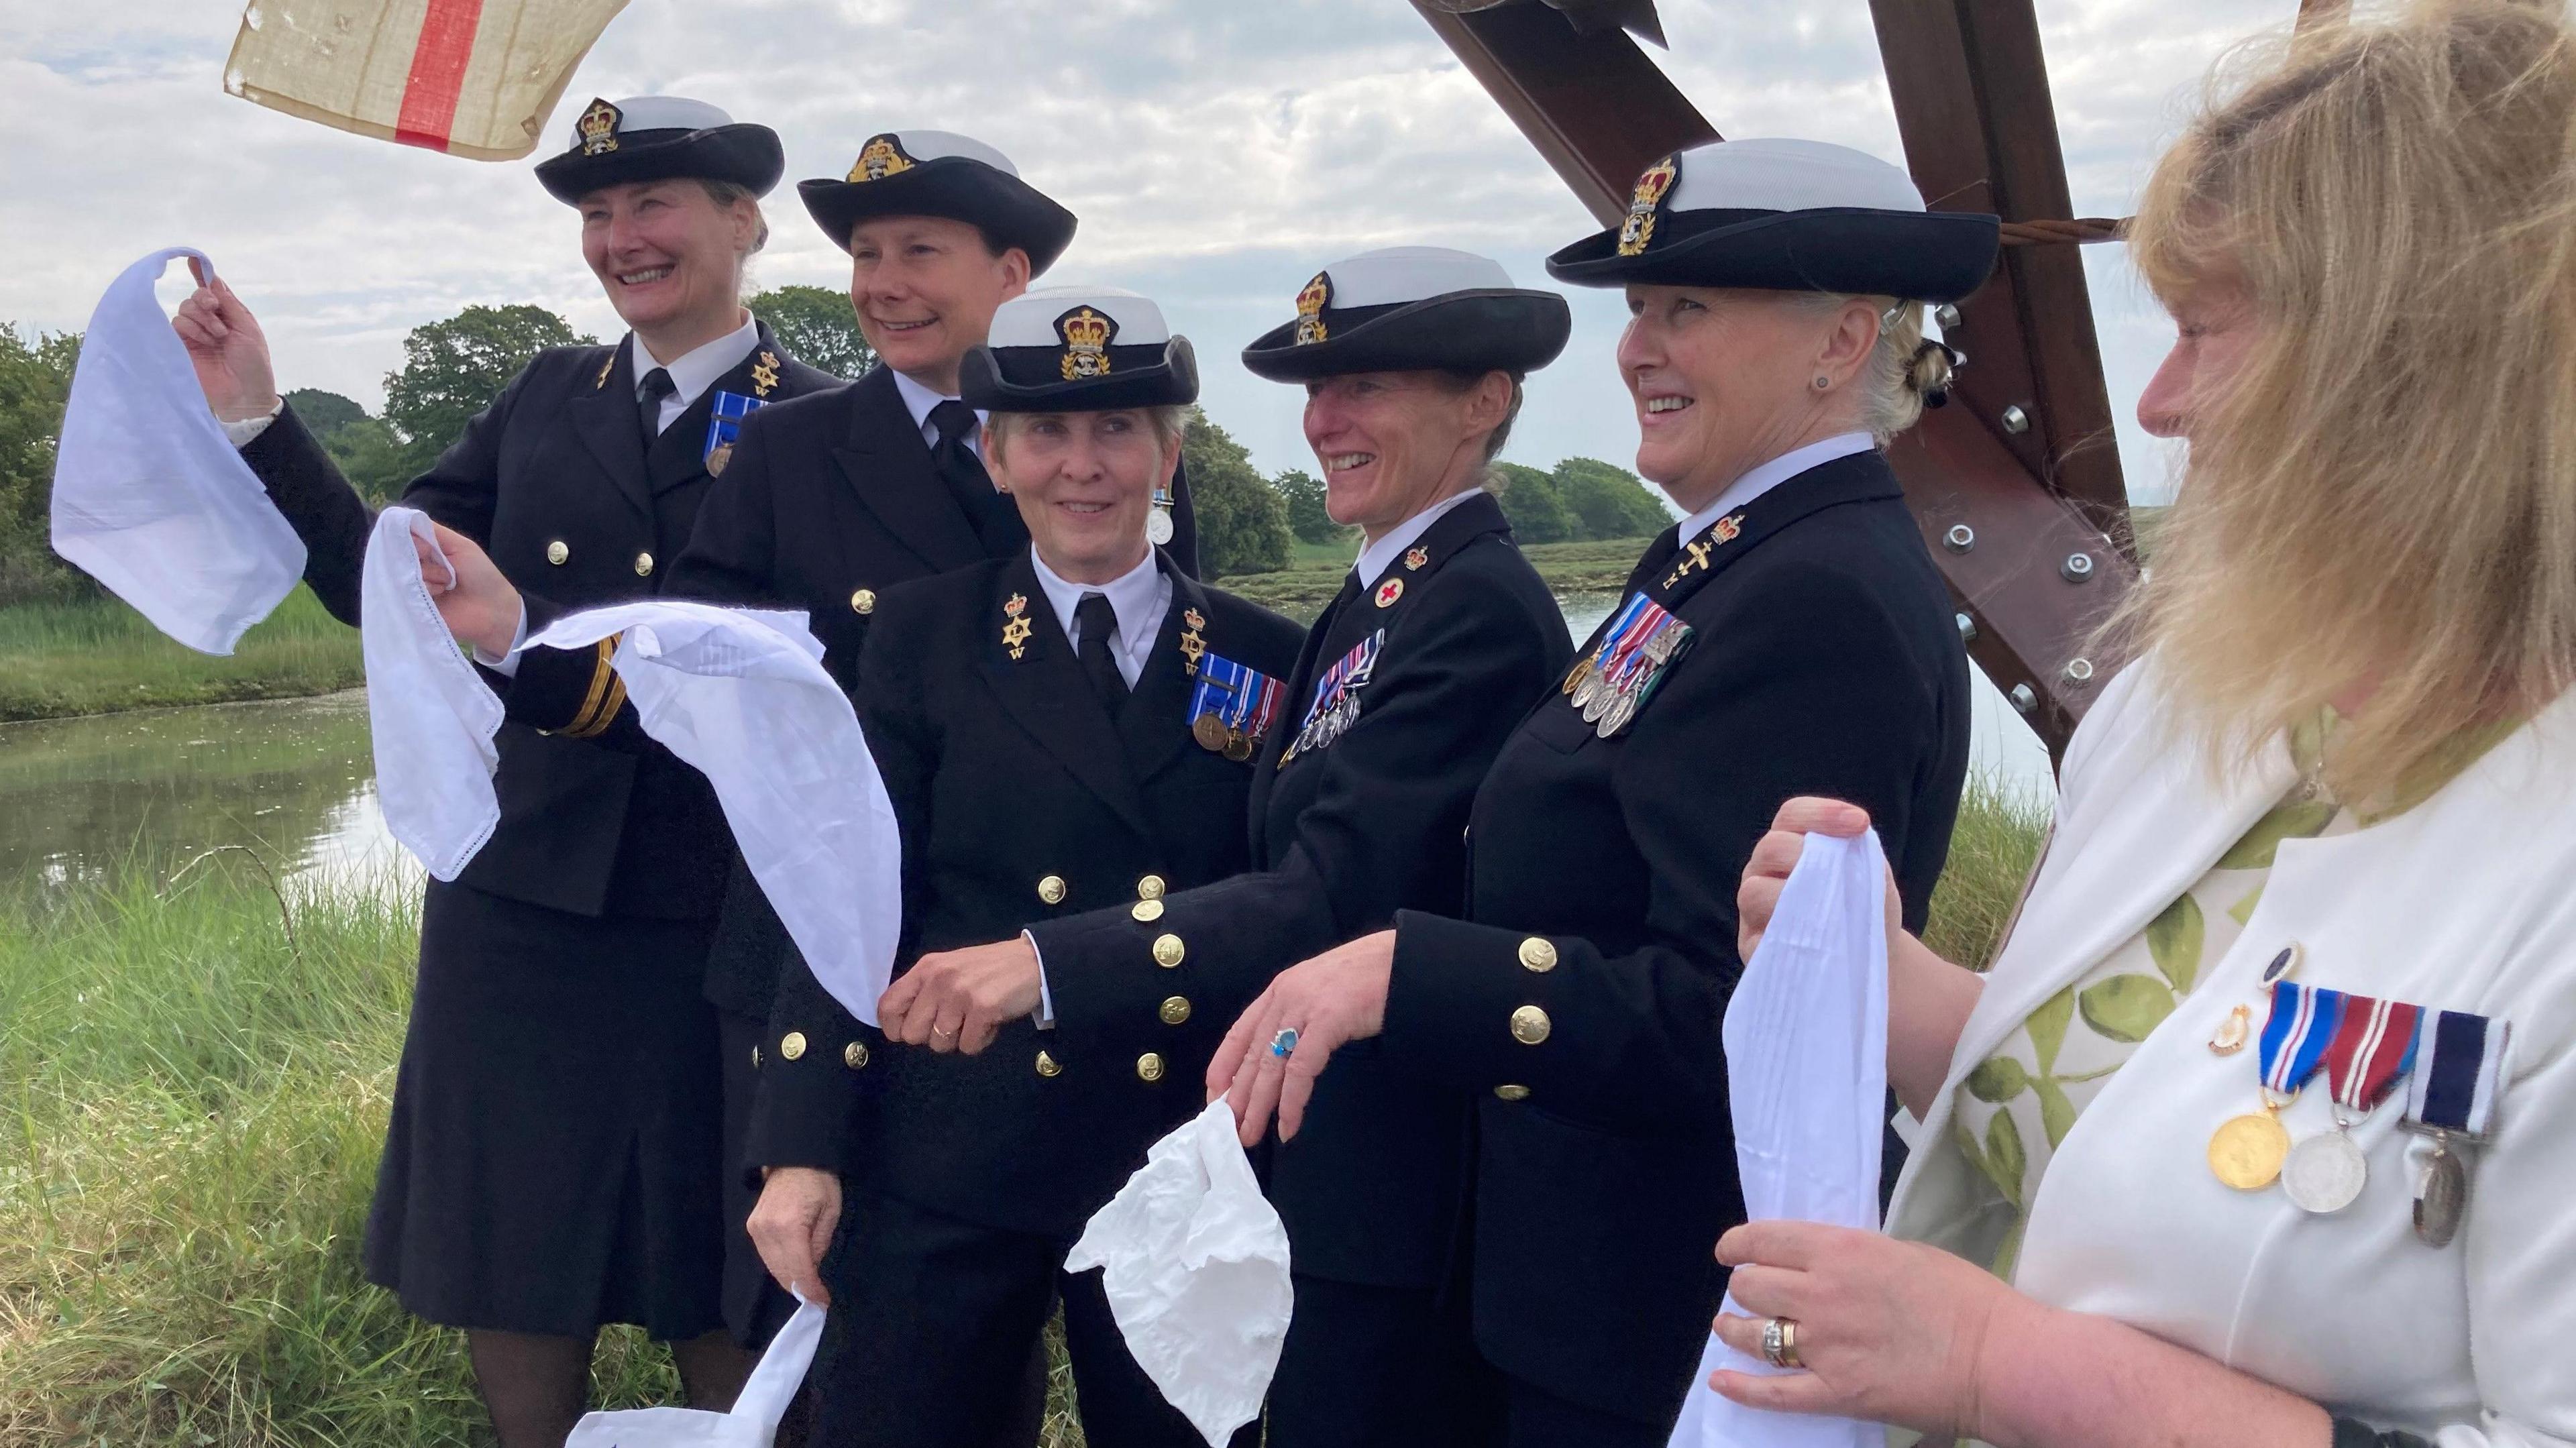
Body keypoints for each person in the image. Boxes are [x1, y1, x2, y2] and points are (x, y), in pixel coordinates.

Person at [1710, 6, 2576, 1444]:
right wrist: (1889, 982)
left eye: (2205, 332)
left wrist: (2000, 1367)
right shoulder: (2200, 707)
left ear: (2422, 374)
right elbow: (2102, 1120)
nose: (2161, 406)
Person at [1211, 137, 1994, 1444]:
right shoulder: (1718, 560)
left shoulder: (1817, 595)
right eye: (1638, 307)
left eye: (1687, 307)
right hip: (1584, 1304)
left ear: (1841, 340)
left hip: (1673, 1338)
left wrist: (1406, 971)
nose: (1636, 348)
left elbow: (1733, 1018)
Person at [169, 97, 837, 1446]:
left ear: (743, 221)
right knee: (520, 1261)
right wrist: (257, 421)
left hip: (725, 915)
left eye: (651, 206)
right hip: (521, 911)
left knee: (728, 1266)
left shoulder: (830, 428)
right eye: (596, 215)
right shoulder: (546, 399)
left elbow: (817, 697)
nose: (619, 239)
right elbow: (389, 587)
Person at [517, 127, 1198, 1355]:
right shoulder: (788, 444)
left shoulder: (1101, 436)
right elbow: (698, 675)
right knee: (843, 1352)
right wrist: (514, 637)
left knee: (1129, 1341)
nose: (882, 283)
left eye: (919, 251)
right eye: (865, 254)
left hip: (1055, 968)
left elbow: (1142, 691)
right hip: (833, 954)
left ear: (1014, 274)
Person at [917, 245, 1572, 1447]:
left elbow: (1335, 891)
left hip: (1390, 1175)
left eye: (1367, 386)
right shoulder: (1381, 598)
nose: (1326, 421)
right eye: (1318, 392)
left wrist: (1050, 965)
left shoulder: (1470, 606)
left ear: (1484, 402)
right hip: (1318, 1162)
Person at [742, 286, 1303, 1447]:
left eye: (1116, 432)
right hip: (949, 1141)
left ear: (1170, 454)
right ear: (995, 457)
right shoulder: (917, 634)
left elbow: (1290, 905)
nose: (1082, 466)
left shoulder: (1265, 655)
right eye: (1045, 433)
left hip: (1175, 1160)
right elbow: (846, 899)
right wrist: (801, 1143)